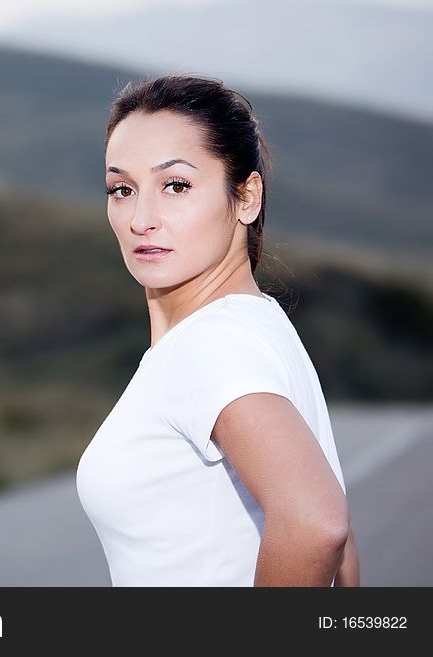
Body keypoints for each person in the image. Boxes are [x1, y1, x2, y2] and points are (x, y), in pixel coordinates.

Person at [75, 74, 360, 586]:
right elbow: (346, 567)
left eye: (176, 186)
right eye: (122, 189)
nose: (142, 218)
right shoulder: (261, 326)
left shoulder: (212, 344)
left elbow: (318, 523)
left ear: (247, 197)